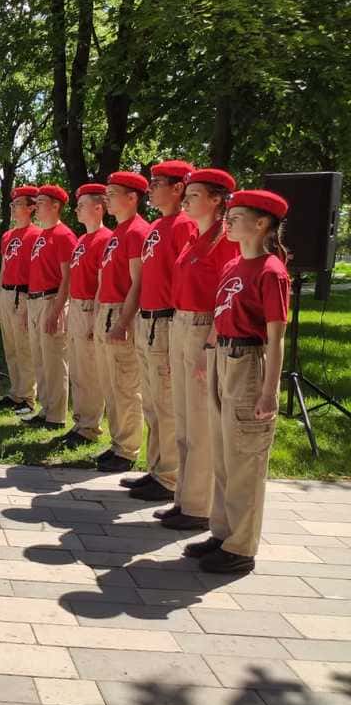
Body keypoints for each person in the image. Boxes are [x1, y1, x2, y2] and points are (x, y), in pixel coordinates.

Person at [183, 189, 290, 574]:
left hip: (248, 361)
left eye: (237, 215)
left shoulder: (271, 271)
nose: (227, 220)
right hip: (221, 358)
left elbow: (276, 338)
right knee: (223, 454)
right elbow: (220, 314)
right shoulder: (232, 266)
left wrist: (268, 391)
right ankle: (222, 531)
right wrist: (205, 353)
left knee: (244, 457)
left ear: (261, 224)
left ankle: (241, 547)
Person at [160, 169, 240, 529]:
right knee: (183, 417)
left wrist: (210, 341)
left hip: (202, 327)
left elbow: (226, 295)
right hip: (180, 323)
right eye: (187, 194)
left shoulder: (225, 241)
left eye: (194, 195)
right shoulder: (195, 237)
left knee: (200, 422)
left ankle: (198, 506)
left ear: (217, 200)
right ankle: (184, 496)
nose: (187, 200)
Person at [122, 160, 198, 502]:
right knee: (152, 401)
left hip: (167, 321)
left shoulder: (184, 226)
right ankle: (155, 467)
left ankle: (169, 476)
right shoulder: (158, 226)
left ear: (179, 188)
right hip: (148, 319)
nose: (150, 188)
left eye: (157, 182)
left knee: (166, 402)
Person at [93, 171, 151, 472]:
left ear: (132, 198)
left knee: (125, 383)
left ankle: (128, 449)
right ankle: (118, 443)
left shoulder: (138, 231)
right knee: (110, 383)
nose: (107, 198)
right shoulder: (119, 231)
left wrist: (123, 322)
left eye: (113, 193)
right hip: (106, 310)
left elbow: (138, 283)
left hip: (121, 312)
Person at [23, 184, 77, 428]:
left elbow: (68, 277)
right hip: (34, 300)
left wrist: (56, 311)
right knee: (40, 359)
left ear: (56, 206)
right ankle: (45, 408)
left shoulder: (64, 235)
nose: (36, 206)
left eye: (42, 201)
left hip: (50, 300)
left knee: (54, 361)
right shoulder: (41, 235)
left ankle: (56, 416)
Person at [63, 183, 113, 447]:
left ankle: (91, 427)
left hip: (90, 308)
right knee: (78, 370)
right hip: (76, 306)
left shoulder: (106, 239)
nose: (76, 209)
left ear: (98, 207)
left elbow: (103, 282)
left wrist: (95, 317)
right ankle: (81, 421)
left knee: (90, 371)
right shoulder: (82, 240)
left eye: (81, 205)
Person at [0, 186, 41, 413]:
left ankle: (28, 398)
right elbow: (4, 268)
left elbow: (36, 272)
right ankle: (15, 392)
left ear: (31, 207)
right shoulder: (7, 236)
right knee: (10, 347)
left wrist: (28, 305)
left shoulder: (36, 235)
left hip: (22, 295)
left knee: (24, 348)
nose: (13, 208)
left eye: (18, 204)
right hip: (7, 294)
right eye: (12, 205)